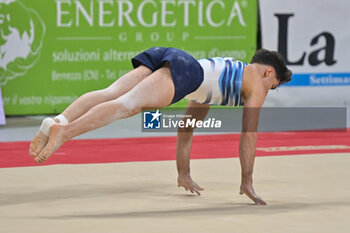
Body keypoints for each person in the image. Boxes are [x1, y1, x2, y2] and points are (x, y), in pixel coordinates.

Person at [29, 47, 292, 205]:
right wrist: (247, 180)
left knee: (110, 93)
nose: (269, 92)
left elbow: (186, 128)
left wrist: (183, 172)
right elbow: (249, 134)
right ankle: (65, 131)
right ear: (268, 72)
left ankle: (58, 121)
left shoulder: (221, 81)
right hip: (184, 70)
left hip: (174, 58)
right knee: (126, 105)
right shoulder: (257, 83)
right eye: (274, 86)